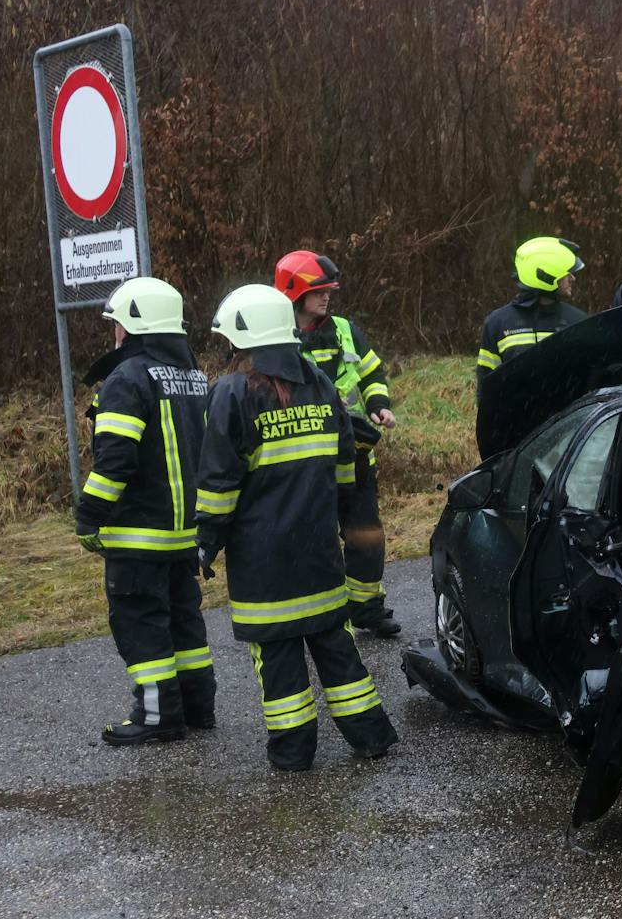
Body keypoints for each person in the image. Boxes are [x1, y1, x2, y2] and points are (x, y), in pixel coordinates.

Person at [196, 284, 400, 770]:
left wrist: (206, 541)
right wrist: (342, 515)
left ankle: (293, 754)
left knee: (278, 658)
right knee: (336, 646)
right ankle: (371, 735)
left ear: (244, 338)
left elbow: (219, 482)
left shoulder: (231, 393)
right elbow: (346, 463)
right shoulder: (320, 382)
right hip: (318, 549)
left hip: (263, 560)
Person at [75, 276, 216, 745]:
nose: (113, 333)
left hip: (138, 536)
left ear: (134, 326)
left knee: (141, 624)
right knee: (183, 620)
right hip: (185, 534)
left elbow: (115, 461)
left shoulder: (126, 379)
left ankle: (157, 717)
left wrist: (89, 515)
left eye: (116, 324)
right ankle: (198, 707)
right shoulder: (195, 376)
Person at [274, 250, 400, 637]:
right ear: (295, 293)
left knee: (366, 533)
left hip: (355, 452)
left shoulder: (345, 330)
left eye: (329, 291)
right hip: (306, 459)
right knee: (314, 538)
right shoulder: (275, 336)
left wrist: (378, 404)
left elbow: (371, 372)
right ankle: (322, 614)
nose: (327, 297)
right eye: (319, 291)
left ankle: (366, 607)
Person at [475, 236, 589, 458]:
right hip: (512, 437)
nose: (573, 278)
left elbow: (587, 381)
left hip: (565, 436)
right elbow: (486, 387)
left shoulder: (578, 322)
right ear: (546, 275)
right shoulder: (498, 324)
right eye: (567, 273)